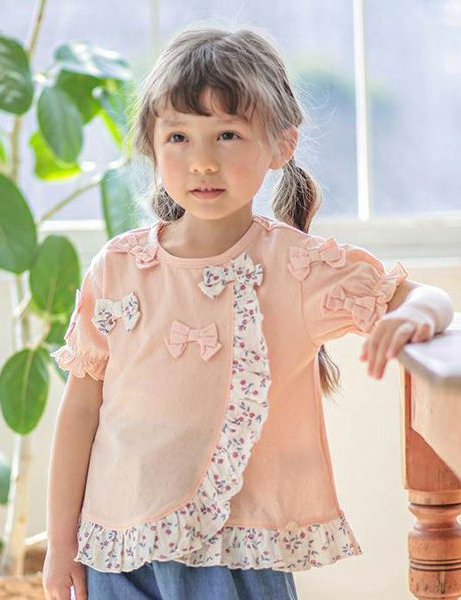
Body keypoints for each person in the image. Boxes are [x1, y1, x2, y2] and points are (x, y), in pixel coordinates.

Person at [42, 25, 454, 600]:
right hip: (118, 551)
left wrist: (418, 317)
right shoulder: (117, 267)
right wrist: (61, 544)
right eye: (179, 137)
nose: (202, 162)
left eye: (228, 135)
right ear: (151, 146)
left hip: (237, 556)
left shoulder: (295, 266)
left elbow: (428, 297)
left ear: (281, 145)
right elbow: (80, 410)